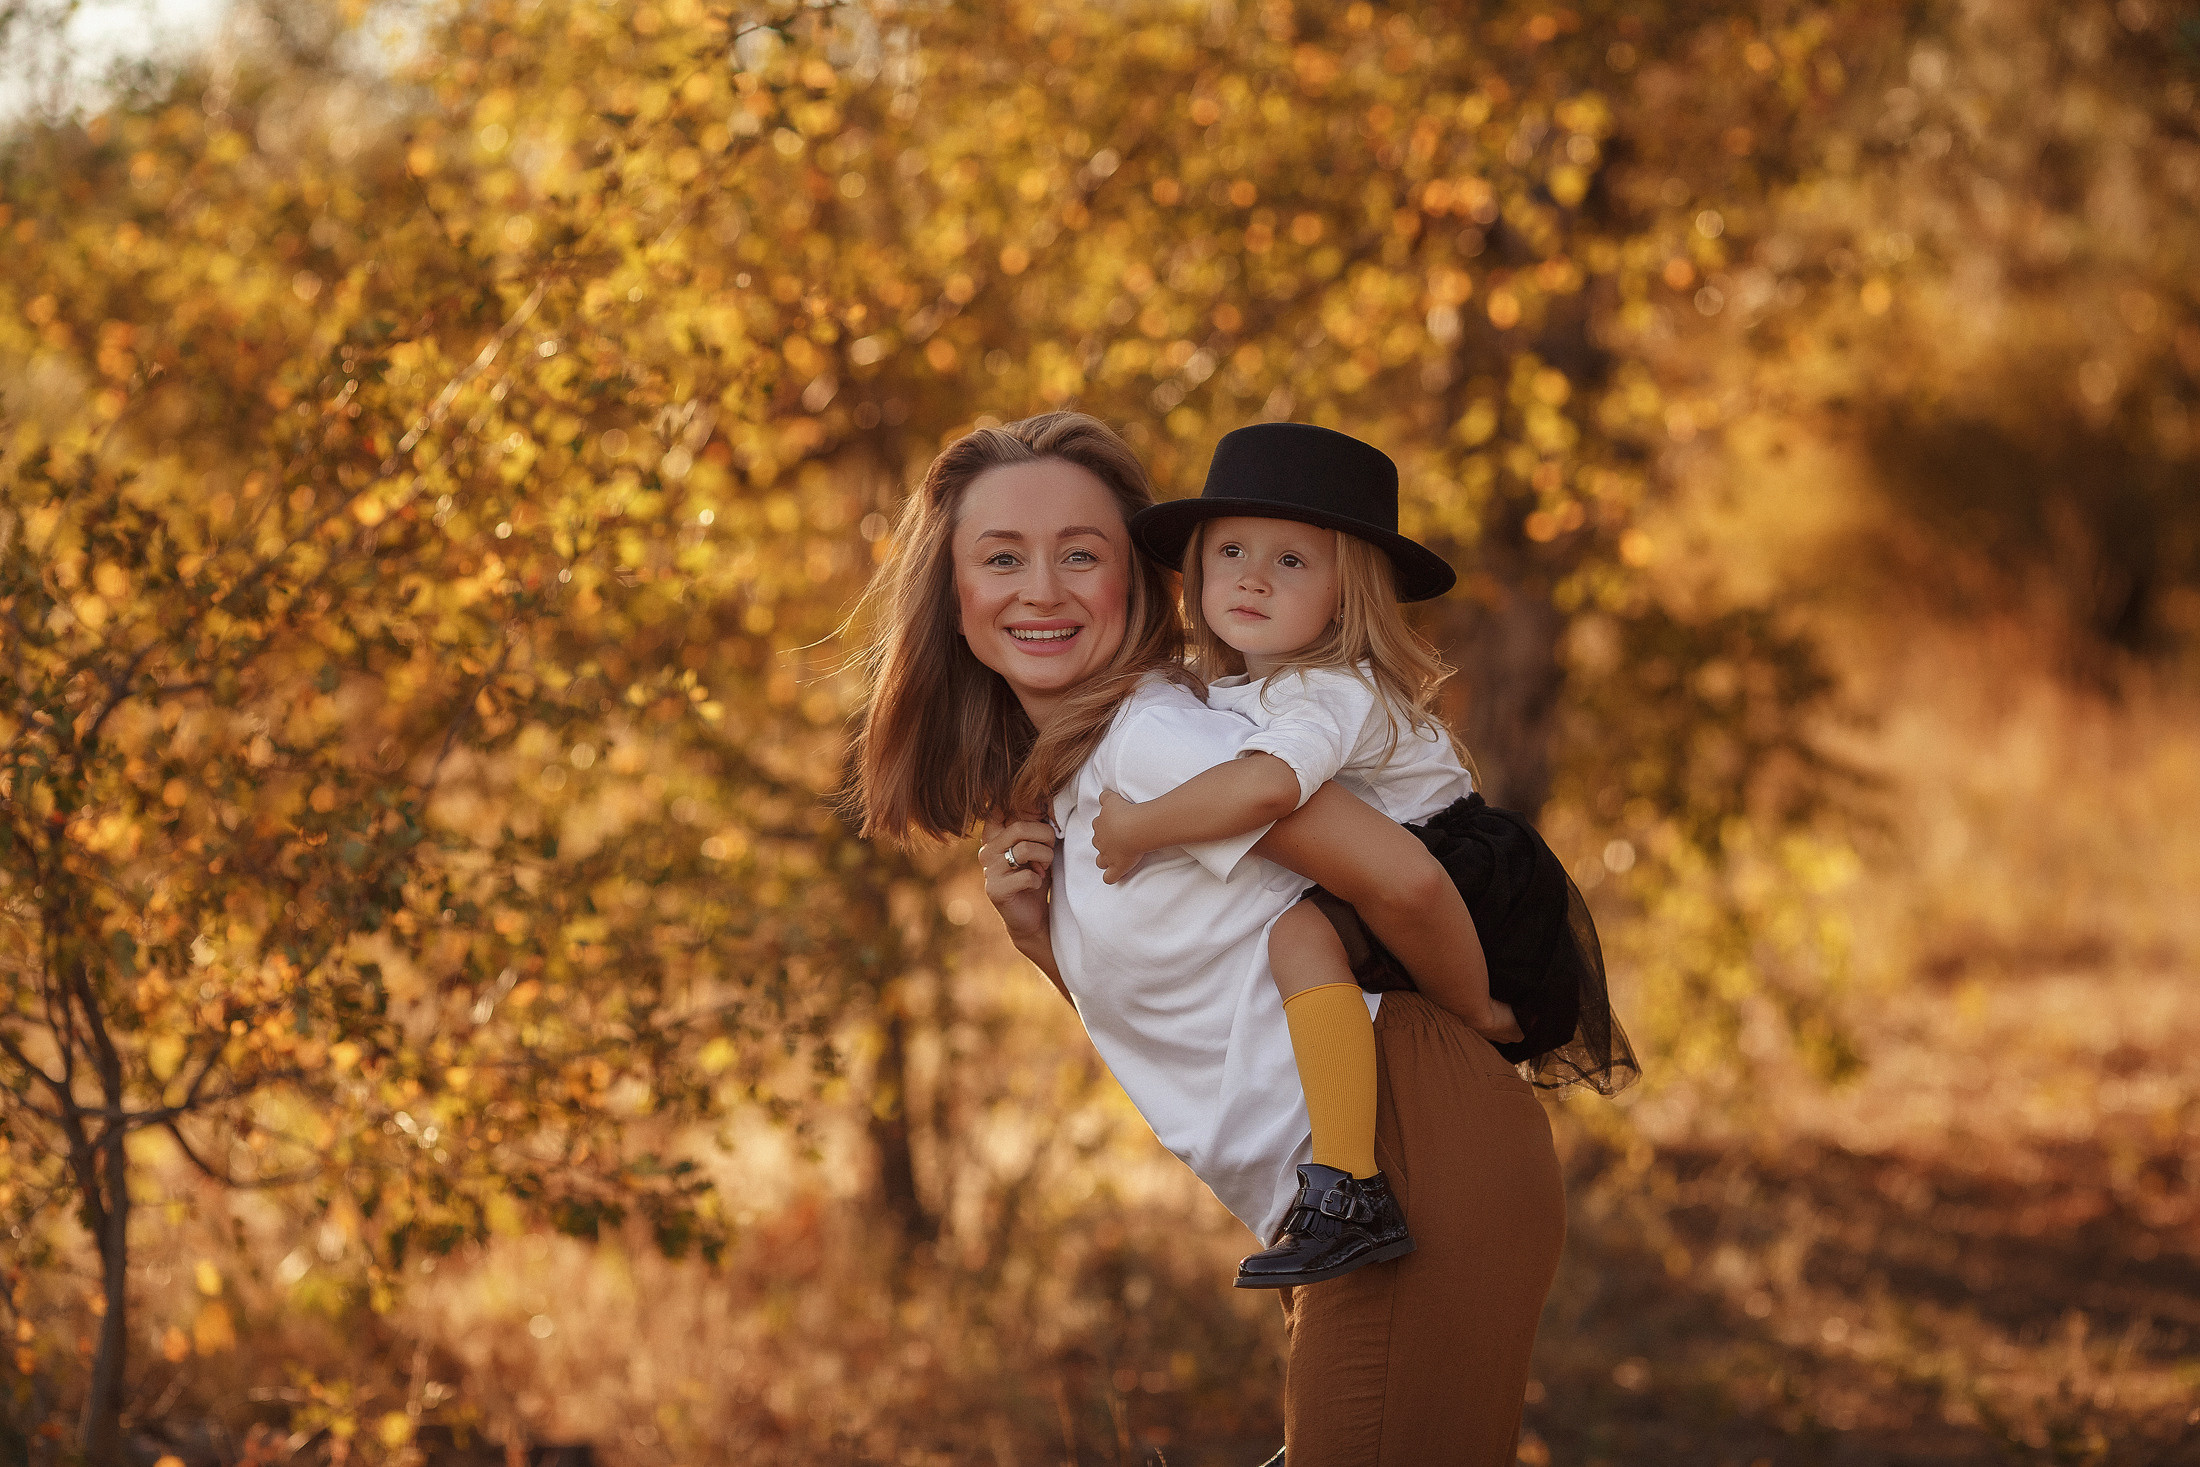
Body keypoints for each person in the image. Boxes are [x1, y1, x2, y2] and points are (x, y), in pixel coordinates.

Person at [848, 410, 1569, 1464]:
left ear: (1143, 583)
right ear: (953, 599)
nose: (1040, 589)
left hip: (1412, 1158)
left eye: (1080, 555)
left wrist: (1482, 1025)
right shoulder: (1089, 773)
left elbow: (1398, 873)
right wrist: (1038, 941)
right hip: (1342, 1197)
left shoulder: (1162, 739)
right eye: (1001, 557)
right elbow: (1198, 1011)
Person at [1086, 421, 1635, 1297]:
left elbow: (1267, 791)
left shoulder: (1323, 688)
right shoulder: (1240, 681)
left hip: (1468, 876)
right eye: (1231, 550)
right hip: (1424, 865)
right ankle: (1349, 1177)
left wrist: (1138, 826)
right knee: (1304, 933)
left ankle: (1357, 1180)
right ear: (1194, 569)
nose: (1254, 575)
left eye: (1293, 561)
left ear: (1348, 597)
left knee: (1300, 937)